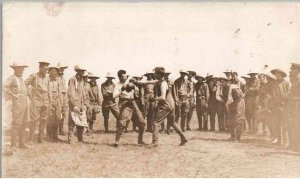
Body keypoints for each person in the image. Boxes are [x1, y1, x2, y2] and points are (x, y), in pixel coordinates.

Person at [151, 67, 188, 146]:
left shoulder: (163, 84)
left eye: (155, 73)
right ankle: (183, 138)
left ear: (158, 74)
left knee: (155, 123)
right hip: (171, 104)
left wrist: (153, 99)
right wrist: (138, 82)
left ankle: (155, 142)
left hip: (166, 105)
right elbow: (149, 82)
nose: (154, 74)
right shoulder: (161, 81)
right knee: (172, 123)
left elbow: (162, 97)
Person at [113, 70, 146, 147]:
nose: (125, 77)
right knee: (121, 123)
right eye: (123, 76)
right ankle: (116, 142)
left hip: (133, 103)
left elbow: (138, 86)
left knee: (142, 123)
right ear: (119, 77)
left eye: (125, 76)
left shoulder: (130, 82)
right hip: (125, 104)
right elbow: (114, 96)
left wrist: (135, 86)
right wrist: (121, 90)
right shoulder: (118, 85)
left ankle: (140, 140)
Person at [4, 62, 29, 149]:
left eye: (23, 69)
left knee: (24, 123)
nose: (22, 70)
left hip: (25, 102)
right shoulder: (12, 78)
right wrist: (13, 94)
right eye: (21, 68)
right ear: (16, 69)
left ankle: (22, 143)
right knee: (16, 123)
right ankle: (13, 145)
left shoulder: (21, 79)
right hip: (18, 103)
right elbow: (4, 87)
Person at [25, 61, 50, 144]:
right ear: (40, 68)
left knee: (43, 120)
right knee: (33, 120)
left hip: (45, 100)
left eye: (47, 69)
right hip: (36, 100)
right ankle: (31, 139)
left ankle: (40, 138)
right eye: (44, 68)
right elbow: (24, 84)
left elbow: (48, 89)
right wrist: (29, 93)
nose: (46, 70)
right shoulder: (34, 76)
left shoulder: (47, 78)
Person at [220, 76, 245, 142]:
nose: (221, 84)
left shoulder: (233, 88)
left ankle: (238, 138)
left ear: (227, 82)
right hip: (232, 105)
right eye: (220, 82)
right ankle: (233, 136)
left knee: (238, 120)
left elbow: (239, 98)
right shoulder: (223, 89)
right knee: (230, 120)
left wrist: (237, 109)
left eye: (223, 82)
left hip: (238, 104)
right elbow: (226, 99)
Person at [270, 68, 291, 146]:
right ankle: (279, 140)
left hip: (284, 106)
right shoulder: (274, 83)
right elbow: (272, 94)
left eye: (278, 74)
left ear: (281, 75)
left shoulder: (286, 83)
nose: (276, 75)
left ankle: (285, 141)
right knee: (277, 123)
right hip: (275, 106)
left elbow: (289, 93)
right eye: (275, 74)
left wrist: (283, 101)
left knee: (284, 124)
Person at [67, 65, 87, 143]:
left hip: (81, 104)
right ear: (77, 71)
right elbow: (71, 93)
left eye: (83, 71)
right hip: (74, 103)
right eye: (81, 70)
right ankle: (70, 139)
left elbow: (83, 92)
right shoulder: (73, 79)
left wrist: (84, 103)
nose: (83, 72)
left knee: (81, 121)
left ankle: (80, 138)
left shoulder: (82, 80)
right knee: (72, 121)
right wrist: (74, 105)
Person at [46, 66, 63, 142]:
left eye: (55, 72)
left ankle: (55, 135)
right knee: (50, 119)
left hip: (57, 101)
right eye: (52, 71)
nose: (54, 73)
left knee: (57, 118)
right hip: (49, 100)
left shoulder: (58, 80)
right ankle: (49, 135)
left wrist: (61, 103)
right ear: (49, 72)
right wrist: (49, 100)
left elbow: (60, 92)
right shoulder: (47, 80)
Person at [286, 63, 300, 150]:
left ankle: (297, 146)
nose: (291, 71)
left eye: (293, 69)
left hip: (297, 107)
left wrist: (293, 97)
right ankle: (293, 144)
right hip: (292, 107)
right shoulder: (294, 81)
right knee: (292, 125)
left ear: (297, 70)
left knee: (297, 126)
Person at [57, 63, 68, 135]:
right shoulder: (55, 78)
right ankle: (55, 131)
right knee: (56, 115)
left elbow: (65, 89)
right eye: (61, 69)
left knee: (63, 114)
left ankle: (61, 130)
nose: (62, 70)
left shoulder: (63, 78)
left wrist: (66, 99)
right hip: (57, 98)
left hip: (63, 98)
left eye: (63, 69)